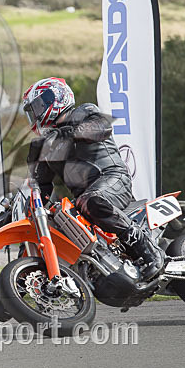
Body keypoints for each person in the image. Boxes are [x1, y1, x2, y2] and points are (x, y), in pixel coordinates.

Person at [22, 77, 165, 279]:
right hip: (86, 199)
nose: (35, 113)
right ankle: (22, 283)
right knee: (51, 222)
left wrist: (66, 133)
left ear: (57, 97)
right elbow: (42, 187)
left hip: (113, 179)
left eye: (38, 106)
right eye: (32, 110)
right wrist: (34, 165)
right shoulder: (50, 144)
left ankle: (148, 250)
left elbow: (101, 128)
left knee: (91, 200)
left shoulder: (85, 112)